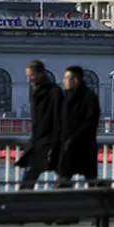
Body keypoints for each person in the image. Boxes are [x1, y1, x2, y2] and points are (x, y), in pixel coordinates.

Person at [15, 60, 63, 189]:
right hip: (41, 140)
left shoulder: (54, 92)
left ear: (41, 74)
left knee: (29, 178)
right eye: (28, 75)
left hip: (47, 140)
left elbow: (59, 118)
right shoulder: (37, 90)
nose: (29, 79)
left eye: (31, 75)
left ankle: (20, 204)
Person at [56, 66, 101, 186]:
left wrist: (74, 137)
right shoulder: (64, 97)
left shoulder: (89, 98)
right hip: (67, 146)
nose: (64, 81)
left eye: (67, 78)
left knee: (90, 181)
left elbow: (91, 122)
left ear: (75, 80)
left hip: (84, 146)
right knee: (63, 180)